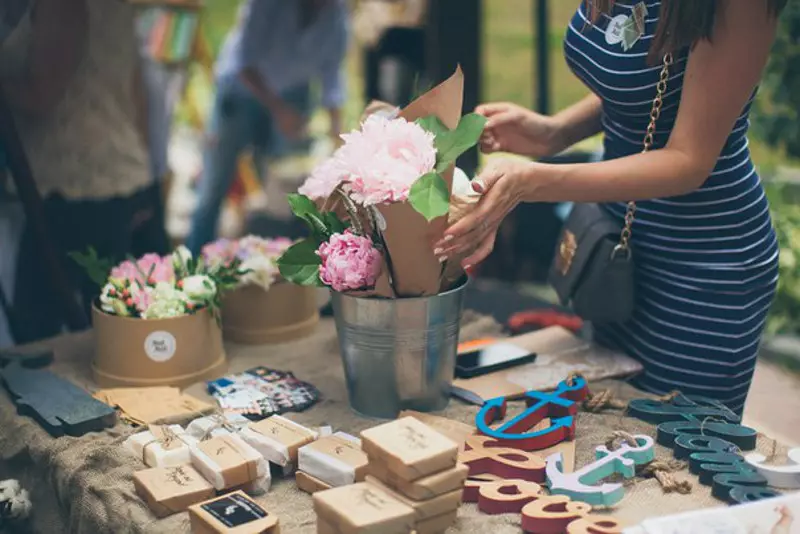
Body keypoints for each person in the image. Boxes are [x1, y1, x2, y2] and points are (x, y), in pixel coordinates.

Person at [436, 0, 786, 415]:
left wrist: (533, 181)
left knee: (675, 450)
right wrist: (556, 131)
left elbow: (689, 161)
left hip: (700, 269)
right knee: (603, 422)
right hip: (615, 247)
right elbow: (652, 79)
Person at [0, 0, 169, 343]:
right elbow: (139, 93)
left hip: (78, 185)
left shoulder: (64, 5)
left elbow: (41, 95)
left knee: (43, 335)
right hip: (114, 176)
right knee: (114, 326)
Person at [185, 0, 349, 254]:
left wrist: (340, 138)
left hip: (292, 94)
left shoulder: (336, 13)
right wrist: (280, 111)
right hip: (240, 94)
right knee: (214, 186)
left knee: (280, 197)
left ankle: (268, 269)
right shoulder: (266, 5)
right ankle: (193, 267)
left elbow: (332, 77)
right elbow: (245, 64)